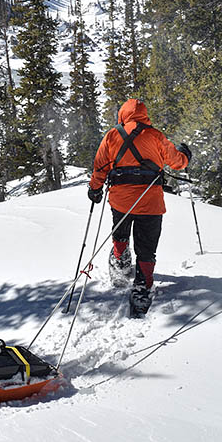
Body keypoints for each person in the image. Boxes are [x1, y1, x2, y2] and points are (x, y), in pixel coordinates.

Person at [87, 98, 191, 316]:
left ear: (123, 114)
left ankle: (121, 263)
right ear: (144, 114)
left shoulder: (112, 135)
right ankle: (142, 287)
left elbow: (100, 166)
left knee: (120, 233)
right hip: (150, 202)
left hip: (121, 200)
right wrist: (185, 155)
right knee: (146, 246)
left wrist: (95, 189)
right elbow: (177, 162)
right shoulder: (155, 136)